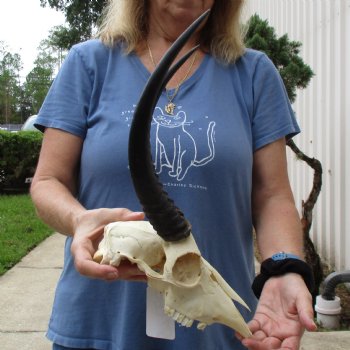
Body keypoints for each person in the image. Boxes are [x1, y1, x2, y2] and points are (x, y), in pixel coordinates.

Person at [31, 0, 317, 349]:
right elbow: (48, 181)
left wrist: (284, 268)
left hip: (216, 329)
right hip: (98, 323)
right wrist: (78, 220)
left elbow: (272, 195)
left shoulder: (254, 74)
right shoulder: (89, 64)